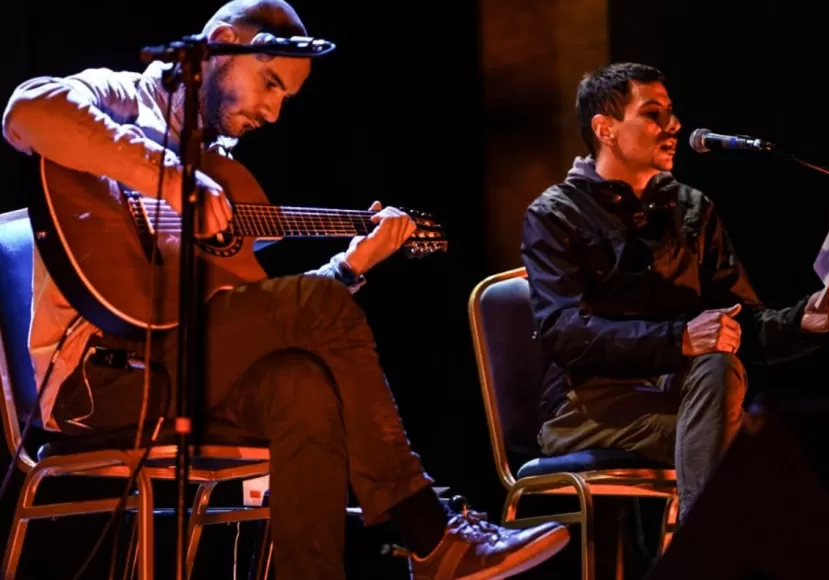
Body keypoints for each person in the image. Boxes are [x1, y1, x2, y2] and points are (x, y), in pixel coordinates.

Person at [2, 1, 571, 578]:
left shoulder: (224, 176)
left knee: (303, 385)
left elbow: (264, 318)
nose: (272, 113)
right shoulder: (123, 98)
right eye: (269, 83)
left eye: (285, 98)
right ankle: (426, 527)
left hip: (183, 365)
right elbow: (26, 110)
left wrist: (351, 266)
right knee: (312, 314)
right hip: (100, 382)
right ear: (223, 43)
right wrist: (172, 178)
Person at [520, 61, 829, 523]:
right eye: (653, 114)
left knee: (722, 366)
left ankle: (699, 553)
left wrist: (804, 320)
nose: (674, 126)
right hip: (587, 407)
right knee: (754, 451)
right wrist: (679, 339)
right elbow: (564, 332)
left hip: (686, 396)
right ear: (604, 129)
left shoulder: (691, 207)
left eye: (671, 112)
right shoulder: (554, 214)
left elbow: (738, 324)